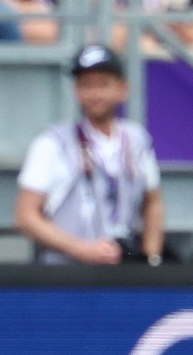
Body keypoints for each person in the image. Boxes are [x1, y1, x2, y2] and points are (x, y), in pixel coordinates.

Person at [15, 44, 164, 265]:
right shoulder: (52, 143)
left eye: (103, 84)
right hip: (64, 272)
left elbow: (152, 202)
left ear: (122, 89)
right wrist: (81, 249)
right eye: (86, 85)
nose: (95, 94)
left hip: (122, 268)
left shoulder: (136, 139)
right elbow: (25, 217)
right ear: (76, 90)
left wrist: (151, 257)